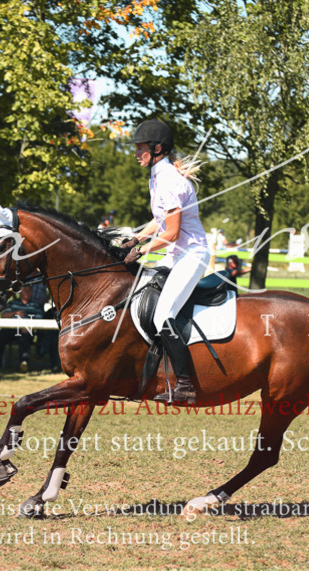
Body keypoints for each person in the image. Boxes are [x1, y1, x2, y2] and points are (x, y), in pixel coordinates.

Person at [123, 119, 209, 404]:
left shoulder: (170, 180)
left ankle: (186, 384)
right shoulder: (158, 177)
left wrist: (143, 250)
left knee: (162, 316)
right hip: (176, 256)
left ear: (157, 148)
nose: (136, 153)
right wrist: (135, 238)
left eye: (140, 148)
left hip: (191, 255)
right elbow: (158, 222)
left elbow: (171, 233)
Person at [0, 284, 45, 372]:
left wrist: (29, 326)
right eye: (25, 290)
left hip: (26, 330)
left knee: (24, 337)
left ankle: (23, 363)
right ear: (20, 292)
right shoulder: (13, 303)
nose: (27, 293)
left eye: (29, 291)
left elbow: (40, 319)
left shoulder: (35, 305)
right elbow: (3, 315)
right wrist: (15, 313)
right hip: (12, 328)